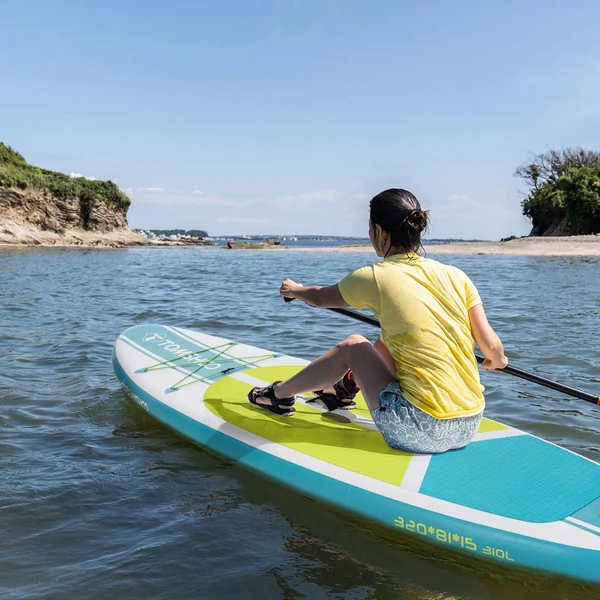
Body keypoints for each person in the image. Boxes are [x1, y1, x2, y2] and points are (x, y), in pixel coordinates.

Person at [248, 188, 508, 454]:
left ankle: (278, 396)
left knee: (354, 345)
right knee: (391, 336)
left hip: (419, 428)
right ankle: (343, 388)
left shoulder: (375, 276)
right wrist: (496, 361)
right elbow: (493, 349)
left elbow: (319, 298)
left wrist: (293, 289)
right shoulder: (457, 276)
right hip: (469, 425)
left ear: (380, 231)